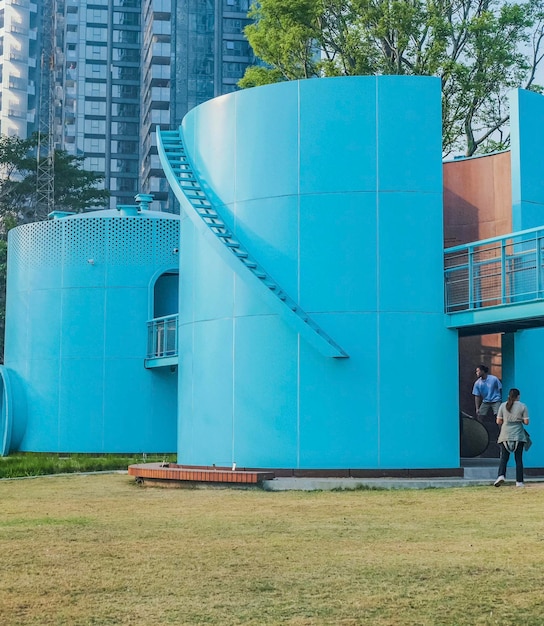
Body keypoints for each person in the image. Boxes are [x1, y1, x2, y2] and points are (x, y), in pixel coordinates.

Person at [493, 388, 530, 487]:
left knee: (504, 458)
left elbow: (498, 421)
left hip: (505, 434)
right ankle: (519, 482)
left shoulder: (502, 405)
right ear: (518, 396)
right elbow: (526, 422)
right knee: (518, 459)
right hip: (518, 435)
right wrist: (519, 419)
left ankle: (501, 475)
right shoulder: (523, 406)